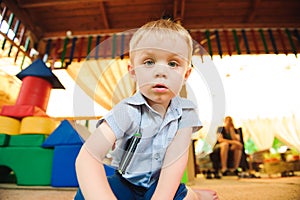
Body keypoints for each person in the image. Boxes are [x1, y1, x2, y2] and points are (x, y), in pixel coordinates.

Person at [74, 19, 203, 200]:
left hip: (159, 184)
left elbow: (175, 161)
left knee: (188, 198)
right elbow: (88, 157)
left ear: (186, 75)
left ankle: (197, 194)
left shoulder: (187, 112)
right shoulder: (127, 111)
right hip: (125, 182)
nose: (161, 72)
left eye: (173, 64)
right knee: (84, 195)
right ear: (133, 71)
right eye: (149, 62)